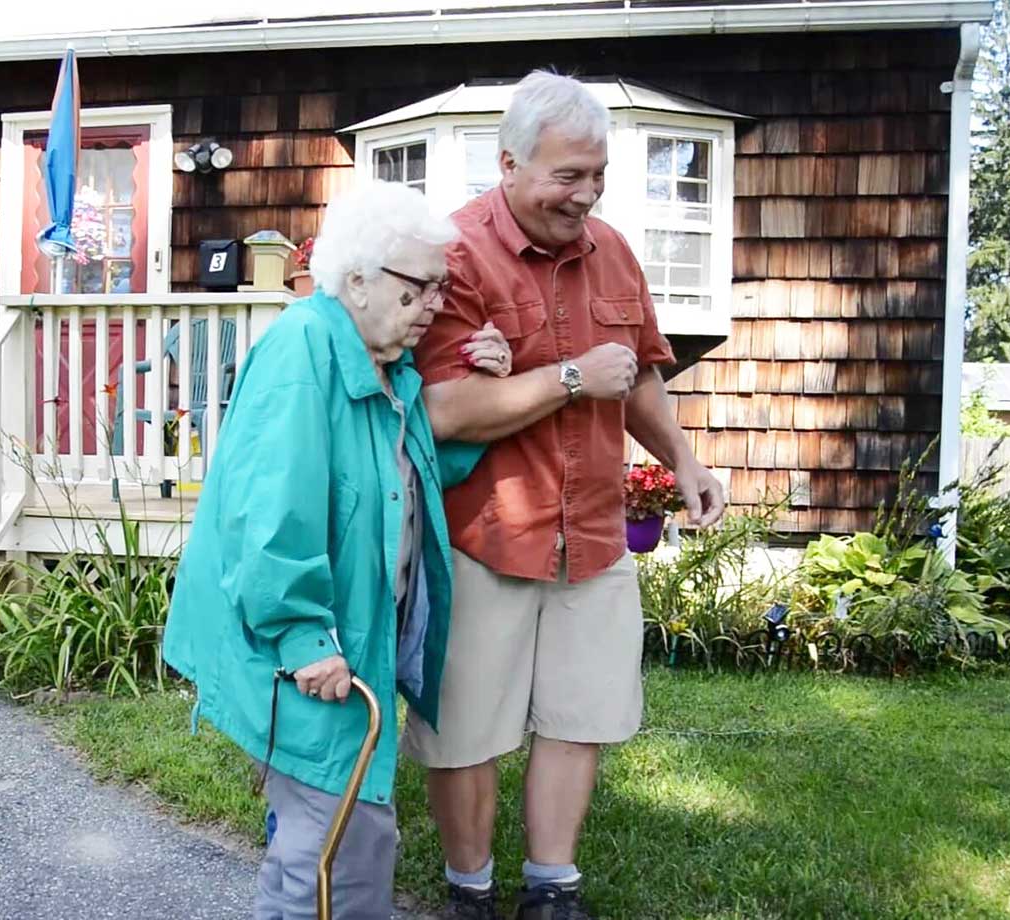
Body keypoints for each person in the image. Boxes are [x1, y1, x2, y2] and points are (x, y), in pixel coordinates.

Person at [403, 71, 727, 920]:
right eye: (566, 176)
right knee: (467, 726)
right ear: (509, 163)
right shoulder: (456, 253)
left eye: (597, 177)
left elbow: (642, 375)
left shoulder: (612, 250)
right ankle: (469, 889)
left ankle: (552, 886)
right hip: (484, 531)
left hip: (592, 529)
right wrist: (573, 378)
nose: (584, 196)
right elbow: (443, 410)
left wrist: (684, 462)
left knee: (577, 715)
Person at [162, 180, 513, 920]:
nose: (434, 308)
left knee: (326, 834)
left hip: (352, 639)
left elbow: (411, 477)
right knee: (337, 849)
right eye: (418, 288)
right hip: (310, 647)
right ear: (355, 279)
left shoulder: (383, 367)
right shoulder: (304, 349)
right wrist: (301, 634)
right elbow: (271, 508)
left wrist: (487, 387)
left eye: (440, 290)